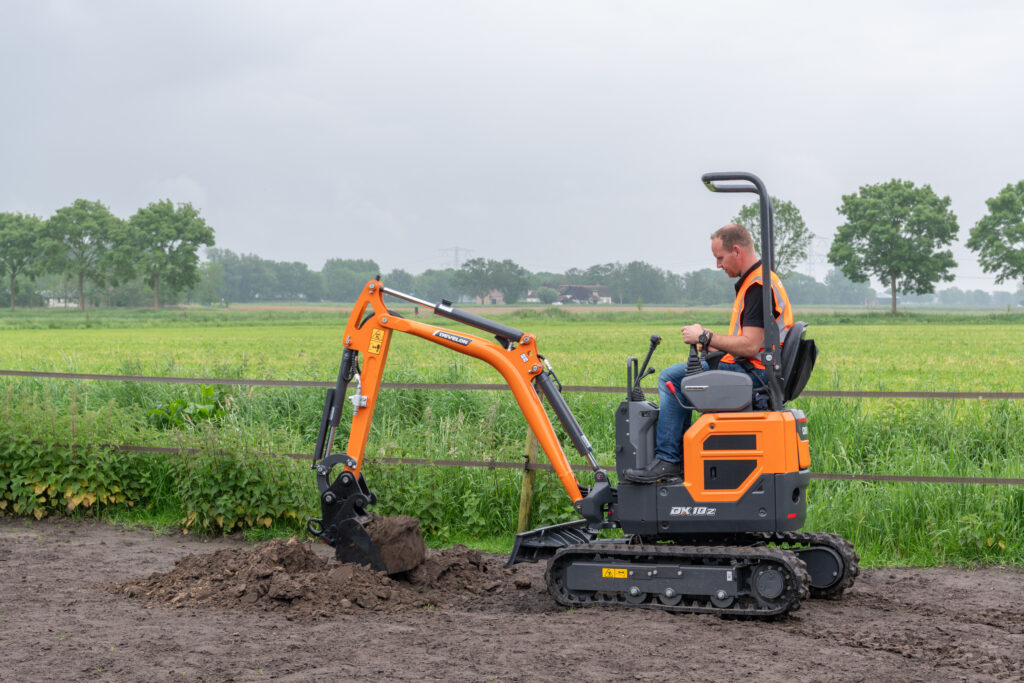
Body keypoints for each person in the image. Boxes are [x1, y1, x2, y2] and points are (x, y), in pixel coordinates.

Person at [623, 223, 793, 483]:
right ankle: (681, 456)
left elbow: (749, 345)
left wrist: (705, 336)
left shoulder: (758, 287)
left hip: (755, 376)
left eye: (720, 258)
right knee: (689, 372)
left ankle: (668, 459)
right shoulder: (758, 281)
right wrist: (715, 345)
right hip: (757, 370)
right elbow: (752, 343)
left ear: (736, 251)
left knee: (672, 379)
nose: (718, 265)